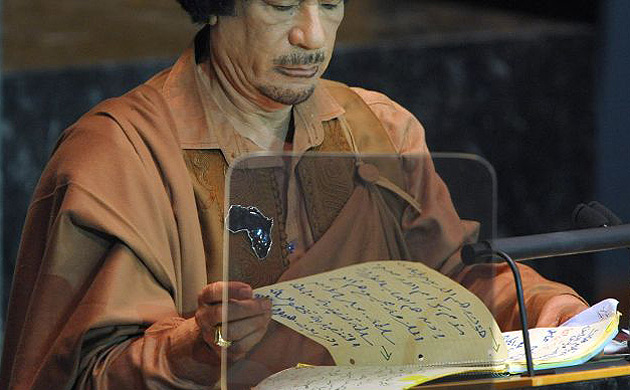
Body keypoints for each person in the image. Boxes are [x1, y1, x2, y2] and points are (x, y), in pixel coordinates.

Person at [1, 1, 588, 389]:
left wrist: (540, 305)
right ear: (217, 7)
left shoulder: (378, 129)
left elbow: (452, 278)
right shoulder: (120, 156)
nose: (312, 35)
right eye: (282, 4)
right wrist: (193, 351)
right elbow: (77, 374)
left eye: (330, 4)